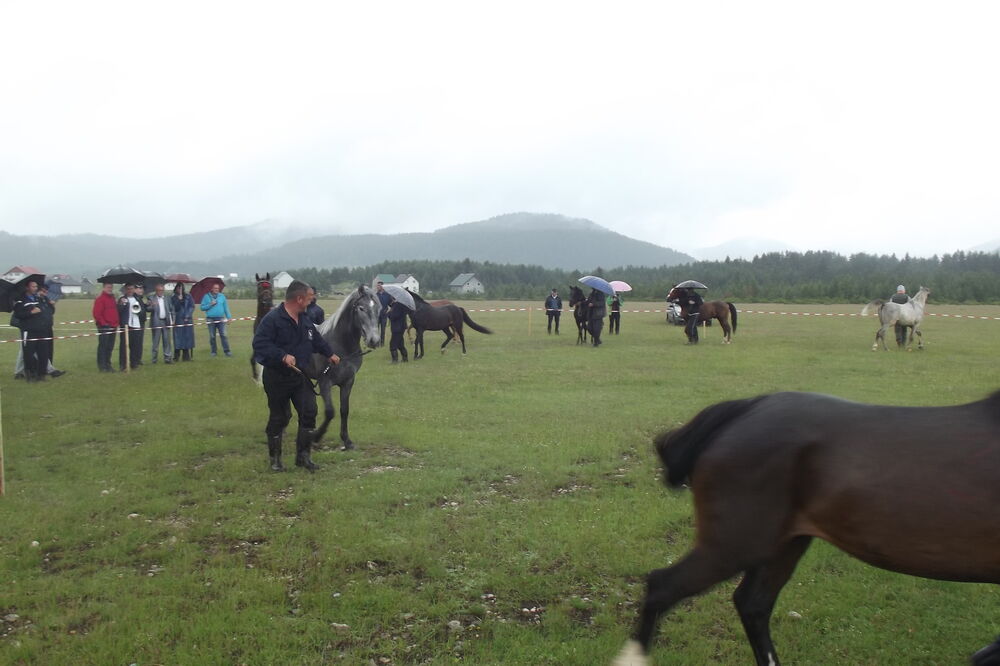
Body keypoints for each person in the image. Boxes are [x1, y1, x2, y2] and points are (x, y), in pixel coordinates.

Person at [252, 280, 341, 472]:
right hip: (276, 376)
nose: (311, 301)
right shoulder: (273, 319)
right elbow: (259, 344)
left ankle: (303, 456)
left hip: (300, 376)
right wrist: (282, 356)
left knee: (309, 412)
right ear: (299, 299)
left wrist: (330, 353)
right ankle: (275, 460)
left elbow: (315, 339)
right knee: (280, 417)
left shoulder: (305, 319)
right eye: (309, 298)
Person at [12, 280, 49, 382]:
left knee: (43, 353)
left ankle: (41, 375)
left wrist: (44, 301)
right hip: (28, 330)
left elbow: (44, 311)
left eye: (36, 286)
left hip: (41, 330)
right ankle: (30, 374)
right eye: (33, 286)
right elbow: (18, 315)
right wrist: (31, 312)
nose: (35, 288)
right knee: (28, 354)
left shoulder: (38, 298)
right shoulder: (20, 300)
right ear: (27, 288)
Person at [36, 284, 65, 377]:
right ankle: (48, 369)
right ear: (39, 291)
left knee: (49, 349)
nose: (45, 293)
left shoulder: (46, 299)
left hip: (48, 327)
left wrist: (52, 305)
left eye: (46, 291)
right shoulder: (36, 300)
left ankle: (49, 367)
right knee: (42, 350)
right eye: (43, 291)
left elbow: (51, 312)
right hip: (40, 328)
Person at [200, 283, 232, 357]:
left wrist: (229, 317)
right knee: (212, 336)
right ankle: (213, 352)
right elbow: (202, 308)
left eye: (218, 288)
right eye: (215, 288)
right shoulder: (206, 296)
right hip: (210, 319)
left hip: (221, 318)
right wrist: (210, 304)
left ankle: (227, 351)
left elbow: (226, 308)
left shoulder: (222, 296)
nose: (216, 290)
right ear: (211, 289)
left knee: (223, 335)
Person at [92, 282, 118, 372]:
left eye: (111, 287)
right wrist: (104, 323)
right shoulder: (100, 299)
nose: (110, 289)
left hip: (113, 326)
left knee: (110, 347)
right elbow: (97, 314)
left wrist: (116, 323)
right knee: (103, 346)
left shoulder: (113, 299)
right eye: (108, 287)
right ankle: (102, 366)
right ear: (103, 288)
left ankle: (108, 364)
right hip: (104, 326)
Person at [117, 284, 144, 370]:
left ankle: (134, 363)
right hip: (126, 325)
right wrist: (121, 304)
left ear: (134, 289)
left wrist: (138, 311)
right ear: (125, 290)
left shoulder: (137, 299)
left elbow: (141, 313)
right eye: (128, 289)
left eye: (131, 289)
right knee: (124, 346)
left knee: (135, 345)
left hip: (136, 325)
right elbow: (119, 311)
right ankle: (123, 364)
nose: (130, 291)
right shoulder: (122, 299)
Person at [146, 283, 174, 364]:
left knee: (167, 341)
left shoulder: (167, 298)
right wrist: (152, 306)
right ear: (156, 291)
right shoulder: (151, 298)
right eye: (159, 290)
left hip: (166, 321)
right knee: (155, 342)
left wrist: (173, 319)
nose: (160, 292)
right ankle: (154, 359)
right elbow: (147, 309)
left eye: (162, 290)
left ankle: (168, 358)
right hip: (156, 322)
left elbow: (172, 309)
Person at [171, 283, 196, 361]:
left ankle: (186, 356)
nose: (180, 290)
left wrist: (187, 315)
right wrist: (179, 300)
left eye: (181, 288)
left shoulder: (188, 296)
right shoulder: (173, 297)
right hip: (178, 320)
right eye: (179, 288)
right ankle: (176, 356)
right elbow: (175, 308)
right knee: (178, 338)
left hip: (187, 320)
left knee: (187, 337)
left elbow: (192, 306)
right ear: (176, 289)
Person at [386, 298, 409, 363]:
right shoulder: (401, 304)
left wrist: (388, 313)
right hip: (401, 327)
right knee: (400, 344)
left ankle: (395, 360)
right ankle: (405, 358)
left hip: (397, 327)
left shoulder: (397, 305)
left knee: (393, 344)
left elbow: (394, 316)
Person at [375, 281, 392, 346]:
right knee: (376, 330)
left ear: (382, 286)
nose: (377, 287)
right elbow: (372, 305)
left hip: (384, 315)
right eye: (377, 285)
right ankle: (376, 343)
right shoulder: (375, 295)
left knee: (383, 330)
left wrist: (389, 311)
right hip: (377, 315)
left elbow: (391, 305)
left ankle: (382, 343)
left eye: (379, 285)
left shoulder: (387, 295)